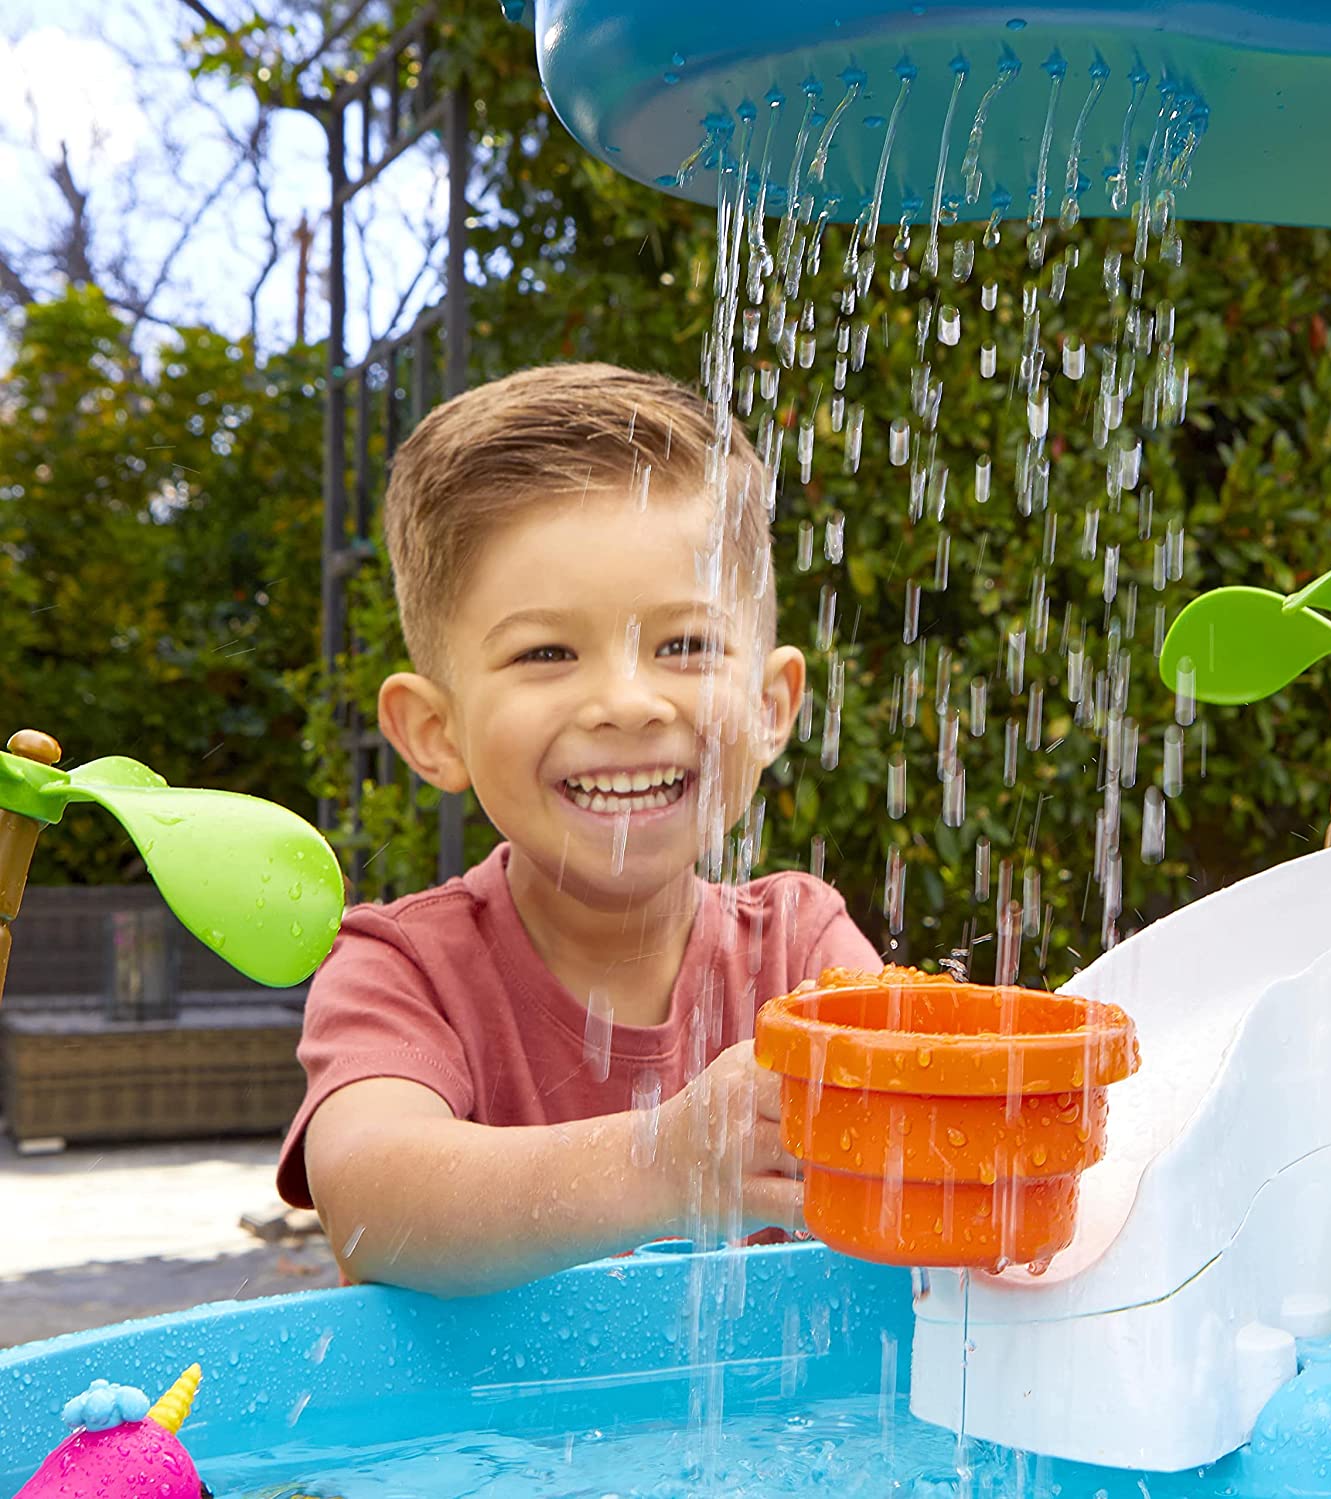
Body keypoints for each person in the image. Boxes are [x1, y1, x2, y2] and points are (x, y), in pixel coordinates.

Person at [275, 362, 881, 1294]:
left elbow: (914, 1140)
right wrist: (663, 1163)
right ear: (435, 730)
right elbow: (371, 1207)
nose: (628, 702)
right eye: (548, 651)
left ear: (771, 706)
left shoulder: (801, 948)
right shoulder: (404, 970)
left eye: (684, 644)